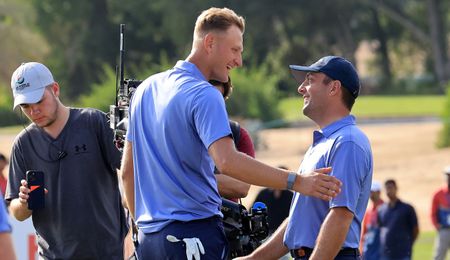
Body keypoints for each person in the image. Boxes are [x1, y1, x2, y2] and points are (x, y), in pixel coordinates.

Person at [120, 8, 342, 260]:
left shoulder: (145, 90)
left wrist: (141, 227)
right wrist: (298, 182)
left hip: (149, 240)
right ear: (210, 43)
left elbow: (128, 171)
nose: (239, 61)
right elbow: (228, 161)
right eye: (235, 50)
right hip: (195, 237)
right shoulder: (205, 94)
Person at [236, 55, 373, 260]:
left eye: (310, 80)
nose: (301, 88)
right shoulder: (324, 143)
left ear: (334, 88)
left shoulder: (347, 142)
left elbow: (340, 216)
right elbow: (298, 221)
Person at [5, 62, 127, 259]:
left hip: (107, 253)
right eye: (25, 106)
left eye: (39, 100)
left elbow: (132, 172)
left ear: (55, 89)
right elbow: (16, 212)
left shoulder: (94, 122)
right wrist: (25, 202)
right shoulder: (23, 144)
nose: (34, 110)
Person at [210, 78, 253, 201]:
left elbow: (241, 186)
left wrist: (187, 178)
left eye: (216, 100)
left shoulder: (237, 134)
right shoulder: (178, 133)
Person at [378, 179, 419, 260]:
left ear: (396, 188)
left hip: (403, 253)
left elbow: (415, 230)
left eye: (391, 187)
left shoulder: (407, 208)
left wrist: (408, 243)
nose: (389, 191)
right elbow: (381, 229)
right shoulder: (381, 210)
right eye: (387, 188)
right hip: (385, 254)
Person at [252, 165, 293, 234]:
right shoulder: (263, 194)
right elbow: (254, 213)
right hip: (266, 233)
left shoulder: (290, 196)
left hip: (285, 233)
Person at [360, 180, 384, 260]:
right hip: (368, 251)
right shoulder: (368, 211)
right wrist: (361, 248)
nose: (370, 194)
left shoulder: (386, 209)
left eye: (372, 192)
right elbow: (364, 232)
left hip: (382, 252)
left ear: (379, 192)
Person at [431, 166, 450, 260]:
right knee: (439, 257)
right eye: (448, 176)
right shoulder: (438, 194)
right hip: (444, 230)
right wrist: (438, 227)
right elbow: (433, 213)